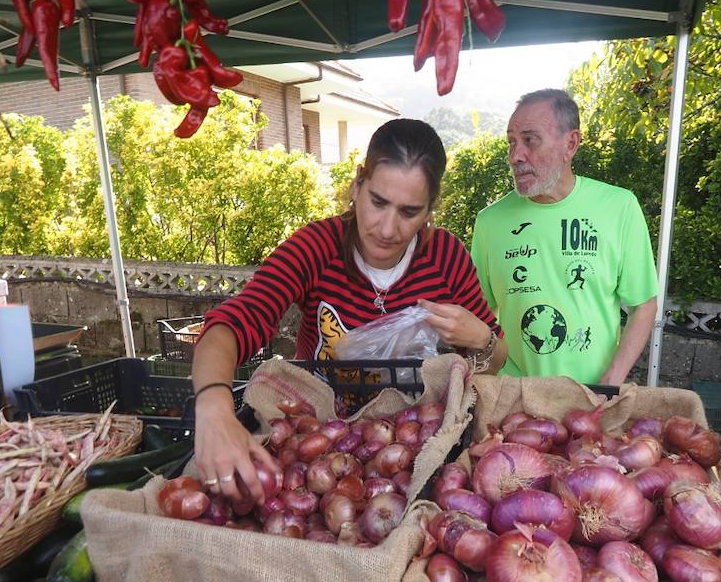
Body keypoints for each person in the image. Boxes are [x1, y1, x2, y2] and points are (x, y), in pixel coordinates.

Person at [191, 118, 506, 501]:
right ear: (359, 184)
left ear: (429, 210)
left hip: (415, 452)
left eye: (409, 212)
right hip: (316, 441)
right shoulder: (316, 248)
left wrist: (481, 339)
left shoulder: (445, 257)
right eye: (377, 202)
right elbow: (234, 324)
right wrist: (212, 407)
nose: (387, 228)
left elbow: (494, 359)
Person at [470, 89, 658, 384]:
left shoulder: (619, 207)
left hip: (592, 398)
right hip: (514, 397)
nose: (515, 156)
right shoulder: (489, 222)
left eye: (530, 140)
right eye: (511, 142)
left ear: (571, 144)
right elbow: (479, 316)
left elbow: (643, 304)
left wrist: (612, 379)